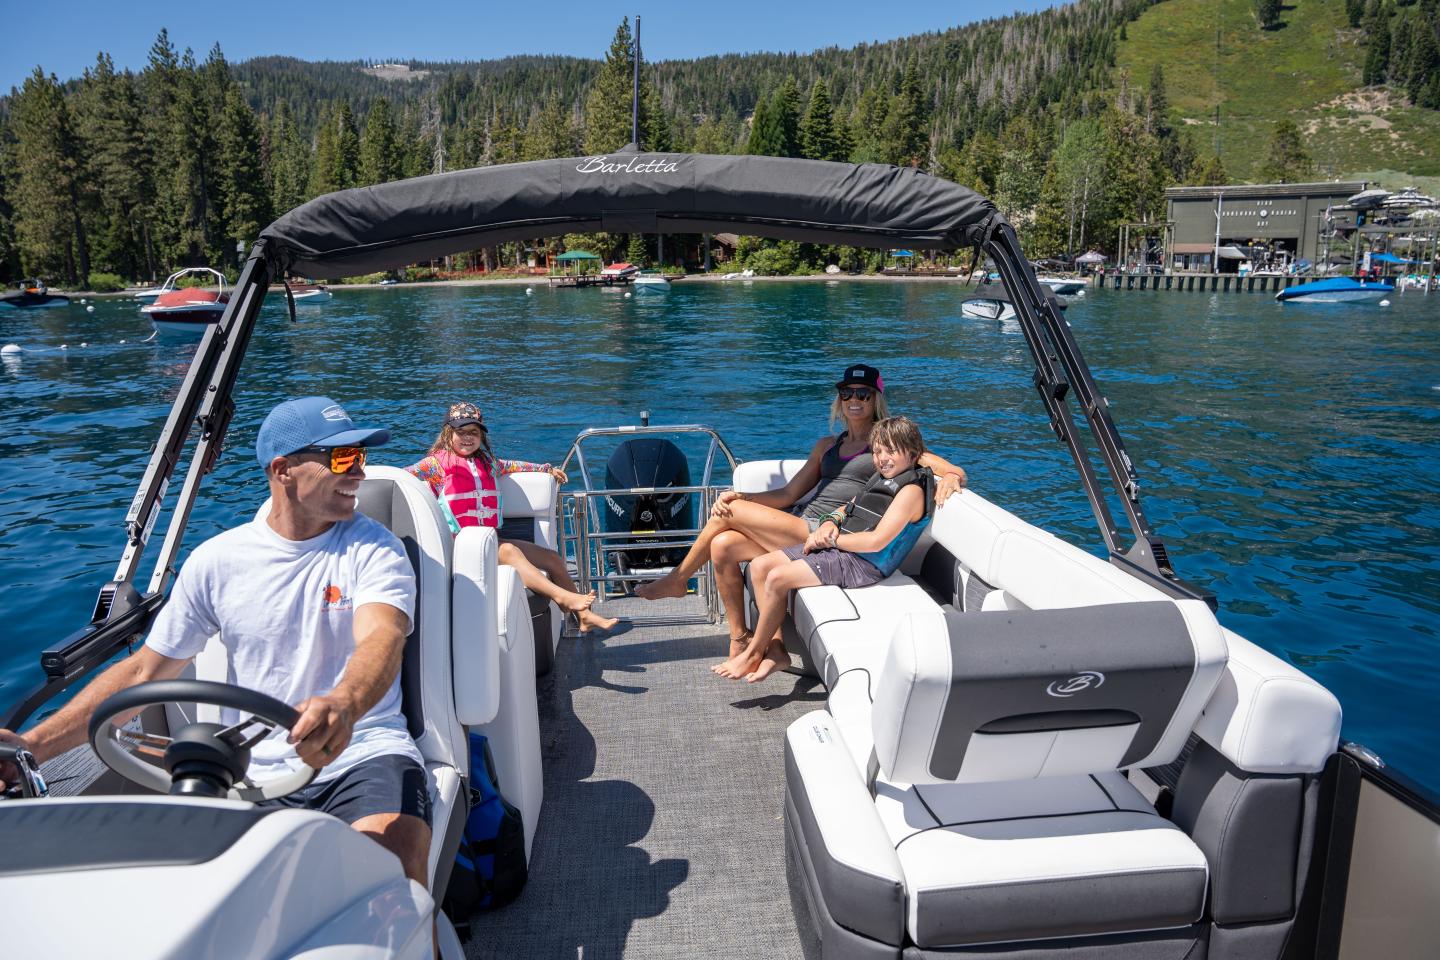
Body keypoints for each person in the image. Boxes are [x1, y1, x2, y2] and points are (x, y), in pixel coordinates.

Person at [0, 396, 432, 890]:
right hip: (246, 771)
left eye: (360, 458)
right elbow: (145, 672)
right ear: (283, 470)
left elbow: (382, 635)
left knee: (393, 872)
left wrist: (344, 702)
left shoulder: (374, 547)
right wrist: (32, 745)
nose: (358, 473)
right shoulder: (217, 562)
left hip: (362, 752)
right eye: (342, 459)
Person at [635, 364, 965, 658]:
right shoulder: (827, 446)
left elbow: (943, 466)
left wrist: (950, 476)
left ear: (876, 399)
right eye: (847, 392)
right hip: (797, 518)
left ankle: (678, 579)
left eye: (863, 394)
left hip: (823, 529)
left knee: (728, 513)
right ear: (839, 398)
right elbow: (789, 493)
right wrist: (744, 494)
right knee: (722, 546)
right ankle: (744, 640)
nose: (855, 399)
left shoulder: (886, 445)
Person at [720, 416, 933, 683]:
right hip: (843, 546)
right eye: (877, 451)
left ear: (913, 454)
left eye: (890, 451)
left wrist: (830, 541)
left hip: (864, 564)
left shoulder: (910, 491)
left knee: (777, 577)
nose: (882, 458)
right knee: (761, 566)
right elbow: (850, 506)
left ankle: (753, 652)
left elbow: (876, 541)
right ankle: (777, 652)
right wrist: (830, 522)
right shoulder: (881, 478)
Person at [407, 401, 618, 634]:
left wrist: (546, 469)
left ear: (481, 436)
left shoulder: (488, 463)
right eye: (461, 432)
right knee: (509, 551)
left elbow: (512, 466)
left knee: (553, 559)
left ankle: (584, 616)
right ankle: (563, 598)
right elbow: (406, 475)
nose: (467, 438)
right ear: (448, 433)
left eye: (474, 433)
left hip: (488, 541)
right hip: (460, 546)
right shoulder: (435, 464)